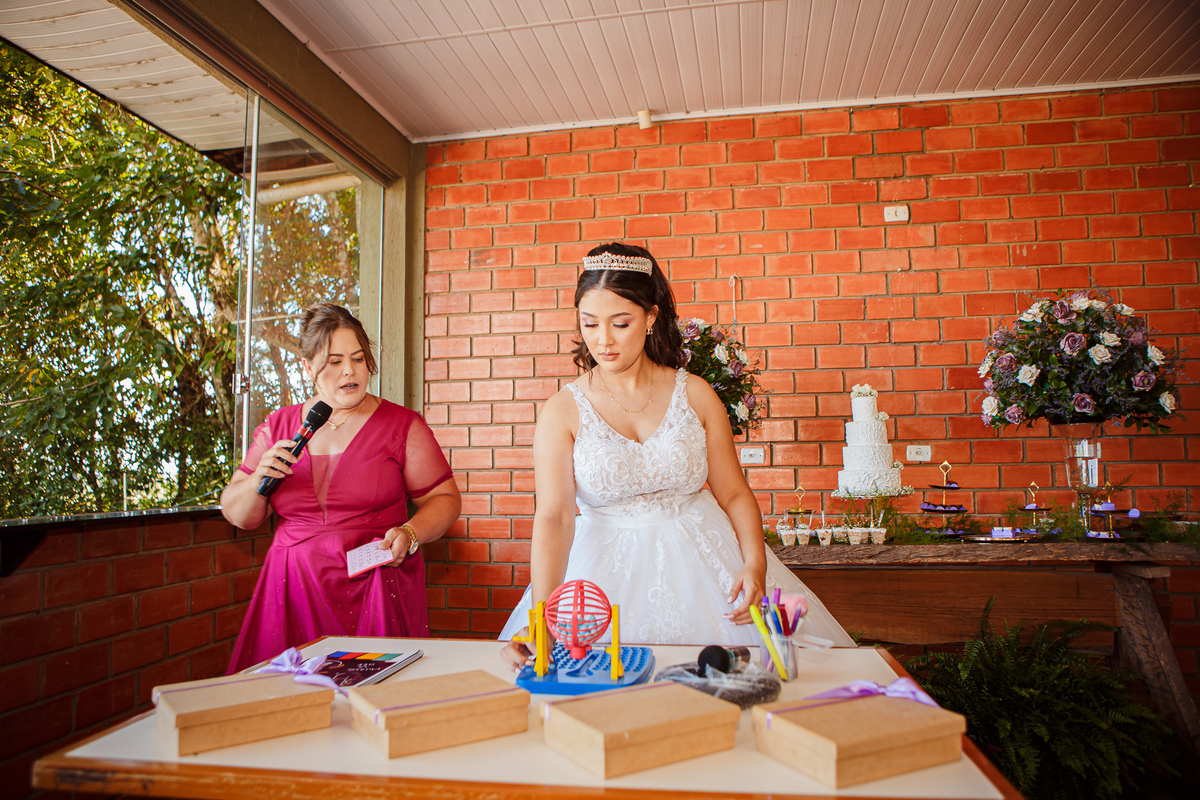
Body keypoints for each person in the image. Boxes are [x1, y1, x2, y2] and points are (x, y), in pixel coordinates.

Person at [500, 243, 854, 670]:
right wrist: (543, 617)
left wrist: (755, 564)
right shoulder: (562, 410)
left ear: (650, 317)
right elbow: (555, 518)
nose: (603, 340)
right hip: (602, 577)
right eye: (589, 323)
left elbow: (734, 493)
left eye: (620, 323)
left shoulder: (696, 394)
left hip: (707, 558)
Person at [223, 303, 460, 673]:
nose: (350, 371)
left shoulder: (403, 425)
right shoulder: (279, 426)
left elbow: (445, 499)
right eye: (334, 361)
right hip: (293, 588)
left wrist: (411, 532)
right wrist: (257, 481)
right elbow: (240, 516)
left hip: (375, 586)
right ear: (308, 367)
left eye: (358, 358)